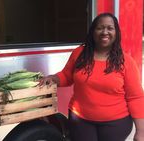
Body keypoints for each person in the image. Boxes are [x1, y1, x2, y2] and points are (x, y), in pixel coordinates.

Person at [40, 13, 144, 141]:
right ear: (93, 32)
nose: (104, 32)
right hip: (80, 121)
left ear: (116, 32)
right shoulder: (79, 54)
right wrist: (53, 78)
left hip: (116, 124)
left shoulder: (126, 62)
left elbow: (135, 97)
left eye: (110, 28)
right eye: (100, 28)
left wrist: (141, 131)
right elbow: (67, 75)